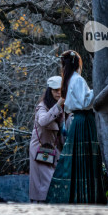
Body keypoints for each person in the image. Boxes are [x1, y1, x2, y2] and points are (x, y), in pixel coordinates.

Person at [46, 50, 108, 204]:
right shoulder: (77, 80)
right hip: (84, 119)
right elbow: (85, 102)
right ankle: (87, 197)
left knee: (77, 159)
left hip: (78, 120)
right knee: (86, 158)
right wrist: (98, 89)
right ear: (77, 63)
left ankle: (78, 196)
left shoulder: (67, 80)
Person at [29, 75, 67, 203]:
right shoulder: (42, 106)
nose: (58, 92)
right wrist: (58, 105)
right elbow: (43, 121)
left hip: (53, 151)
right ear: (49, 91)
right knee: (46, 184)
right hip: (41, 150)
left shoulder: (63, 107)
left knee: (54, 181)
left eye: (60, 89)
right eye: (55, 90)